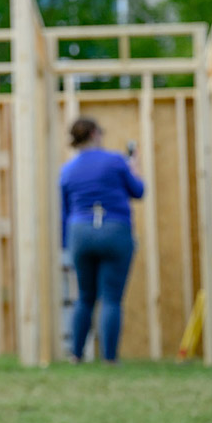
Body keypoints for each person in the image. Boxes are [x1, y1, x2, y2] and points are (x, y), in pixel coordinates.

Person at [60, 117, 143, 364]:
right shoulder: (117, 161)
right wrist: (134, 168)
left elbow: (65, 212)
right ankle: (109, 359)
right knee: (111, 298)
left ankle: (76, 355)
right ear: (95, 134)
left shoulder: (67, 169)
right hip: (115, 230)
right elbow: (138, 191)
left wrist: (66, 245)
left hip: (80, 233)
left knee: (85, 296)